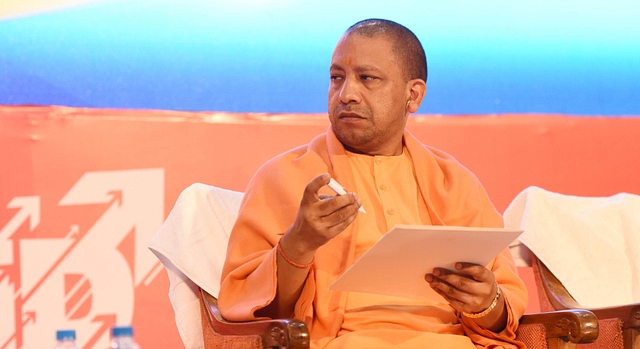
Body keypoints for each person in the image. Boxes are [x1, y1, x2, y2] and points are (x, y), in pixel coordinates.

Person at [219, 18, 528, 348]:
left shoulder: (455, 183)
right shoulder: (282, 177)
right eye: (337, 78)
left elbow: (504, 314)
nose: (346, 94)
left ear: (413, 95)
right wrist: (299, 244)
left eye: (367, 79)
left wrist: (485, 303)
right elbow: (258, 317)